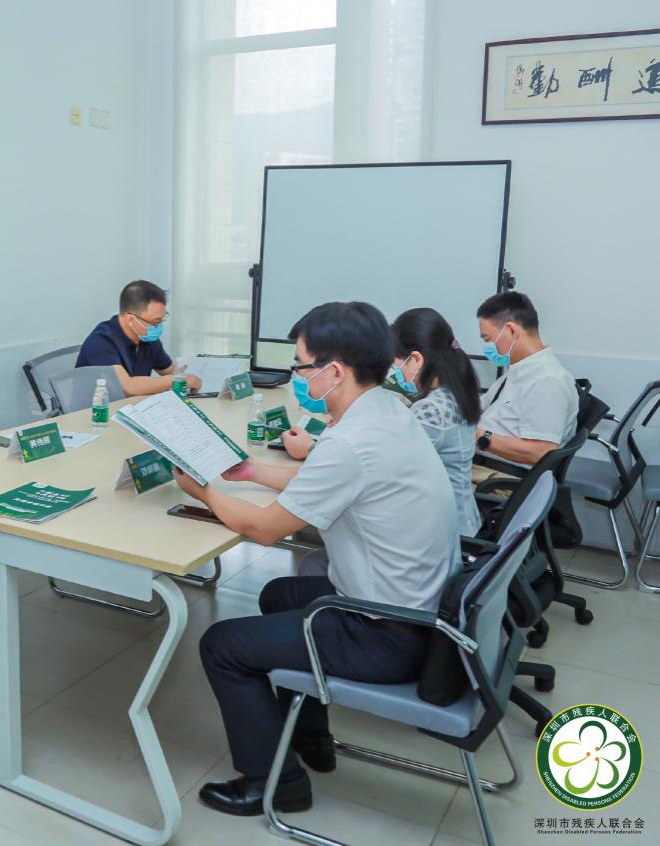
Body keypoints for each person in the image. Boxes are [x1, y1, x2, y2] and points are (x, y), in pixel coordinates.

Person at [176, 301, 458, 817]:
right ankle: (310, 737)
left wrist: (205, 493)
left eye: (302, 366)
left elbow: (264, 530)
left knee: (221, 645)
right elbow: (330, 478)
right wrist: (253, 473)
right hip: (420, 609)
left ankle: (275, 783)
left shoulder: (351, 441)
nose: (297, 377)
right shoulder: (388, 410)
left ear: (335, 371)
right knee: (279, 593)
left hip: (386, 632)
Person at [390, 308, 484, 536]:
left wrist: (314, 448)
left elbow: (387, 469)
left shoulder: (432, 409)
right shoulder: (456, 391)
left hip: (443, 532)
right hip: (462, 518)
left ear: (416, 359)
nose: (397, 374)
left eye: (398, 365)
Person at [475, 291, 577, 466]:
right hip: (483, 462)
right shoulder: (519, 370)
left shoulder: (547, 380)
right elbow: (483, 406)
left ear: (512, 330)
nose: (487, 347)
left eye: (488, 339)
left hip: (502, 474)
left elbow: (541, 452)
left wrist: (476, 436)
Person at [76, 279, 200, 397]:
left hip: (132, 406)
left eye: (162, 319)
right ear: (131, 319)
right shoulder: (101, 341)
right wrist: (178, 379)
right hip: (96, 410)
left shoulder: (147, 338)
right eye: (155, 321)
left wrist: (189, 372)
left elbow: (170, 371)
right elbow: (127, 387)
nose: (159, 327)